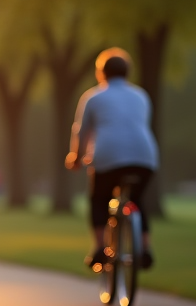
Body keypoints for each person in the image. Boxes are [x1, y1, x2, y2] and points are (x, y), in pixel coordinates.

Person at [65, 47, 159, 270]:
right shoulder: (141, 96)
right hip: (144, 156)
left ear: (101, 73)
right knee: (136, 200)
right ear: (128, 72)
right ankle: (145, 249)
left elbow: (82, 131)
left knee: (99, 199)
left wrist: (76, 157)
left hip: (108, 156)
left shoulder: (93, 97)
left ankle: (100, 247)